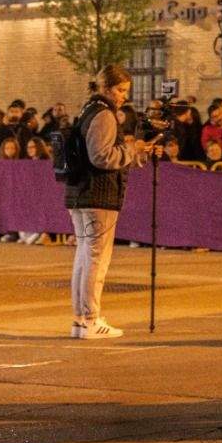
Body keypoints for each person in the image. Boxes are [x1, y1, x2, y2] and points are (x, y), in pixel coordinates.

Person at [61, 64, 151, 339]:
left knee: (85, 257)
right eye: (121, 90)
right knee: (96, 259)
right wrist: (130, 149)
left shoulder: (87, 110)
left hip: (82, 193)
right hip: (97, 194)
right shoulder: (103, 115)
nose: (124, 96)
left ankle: (81, 319)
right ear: (108, 88)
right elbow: (101, 156)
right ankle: (90, 318)